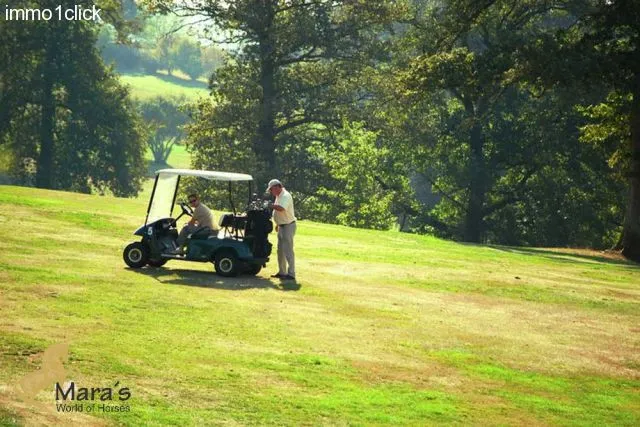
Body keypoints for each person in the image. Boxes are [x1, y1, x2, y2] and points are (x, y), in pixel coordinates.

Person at [267, 179, 296, 280]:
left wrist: (270, 205)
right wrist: (277, 224)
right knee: (280, 251)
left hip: (288, 225)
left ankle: (291, 274)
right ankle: (282, 272)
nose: (271, 192)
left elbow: (281, 208)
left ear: (277, 187)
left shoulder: (285, 196)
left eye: (271, 189)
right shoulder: (278, 196)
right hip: (281, 225)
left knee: (288, 250)